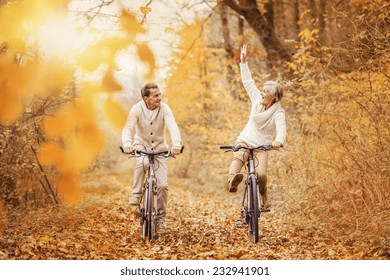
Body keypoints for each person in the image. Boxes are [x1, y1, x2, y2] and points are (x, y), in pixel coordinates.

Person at [227, 44, 286, 210]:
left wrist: (278, 141)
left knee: (260, 175)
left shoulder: (278, 112)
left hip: (262, 145)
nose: (261, 92)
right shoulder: (256, 100)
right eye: (262, 89)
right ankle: (233, 180)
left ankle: (263, 196)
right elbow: (247, 81)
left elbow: (281, 129)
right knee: (239, 157)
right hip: (245, 139)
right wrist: (243, 62)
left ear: (273, 97)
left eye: (265, 91)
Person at [121, 82, 182, 230]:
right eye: (155, 96)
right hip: (141, 146)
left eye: (159, 94)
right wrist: (127, 144)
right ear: (146, 98)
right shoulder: (136, 109)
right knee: (143, 163)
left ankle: (160, 218)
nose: (159, 98)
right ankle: (136, 195)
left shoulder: (165, 109)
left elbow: (172, 126)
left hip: (160, 150)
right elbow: (128, 128)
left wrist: (176, 144)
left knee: (162, 186)